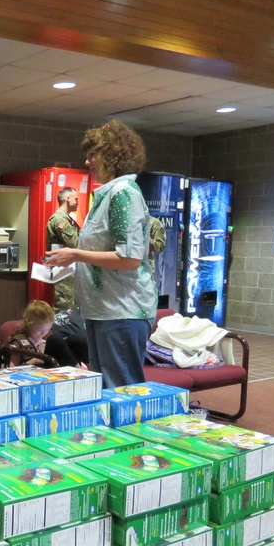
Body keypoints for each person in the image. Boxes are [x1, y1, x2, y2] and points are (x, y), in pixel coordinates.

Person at [45, 120, 156, 388]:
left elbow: (129, 259)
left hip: (121, 311)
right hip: (104, 310)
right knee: (108, 389)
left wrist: (75, 255)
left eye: (92, 154)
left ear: (111, 154)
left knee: (122, 391)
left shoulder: (122, 194)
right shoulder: (108, 194)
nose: (87, 161)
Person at [8, 300, 89, 368]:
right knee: (55, 339)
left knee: (76, 340)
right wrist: (32, 362)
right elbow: (11, 370)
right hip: (38, 374)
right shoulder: (19, 340)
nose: (43, 333)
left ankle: (95, 371)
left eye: (47, 329)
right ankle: (81, 375)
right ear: (28, 323)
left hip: (58, 369)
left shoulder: (48, 336)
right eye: (39, 329)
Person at [46, 187, 81, 312]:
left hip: (69, 270)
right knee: (64, 309)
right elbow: (75, 243)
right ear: (67, 199)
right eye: (76, 199)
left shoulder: (67, 219)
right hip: (63, 272)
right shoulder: (59, 220)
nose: (78, 202)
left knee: (71, 308)